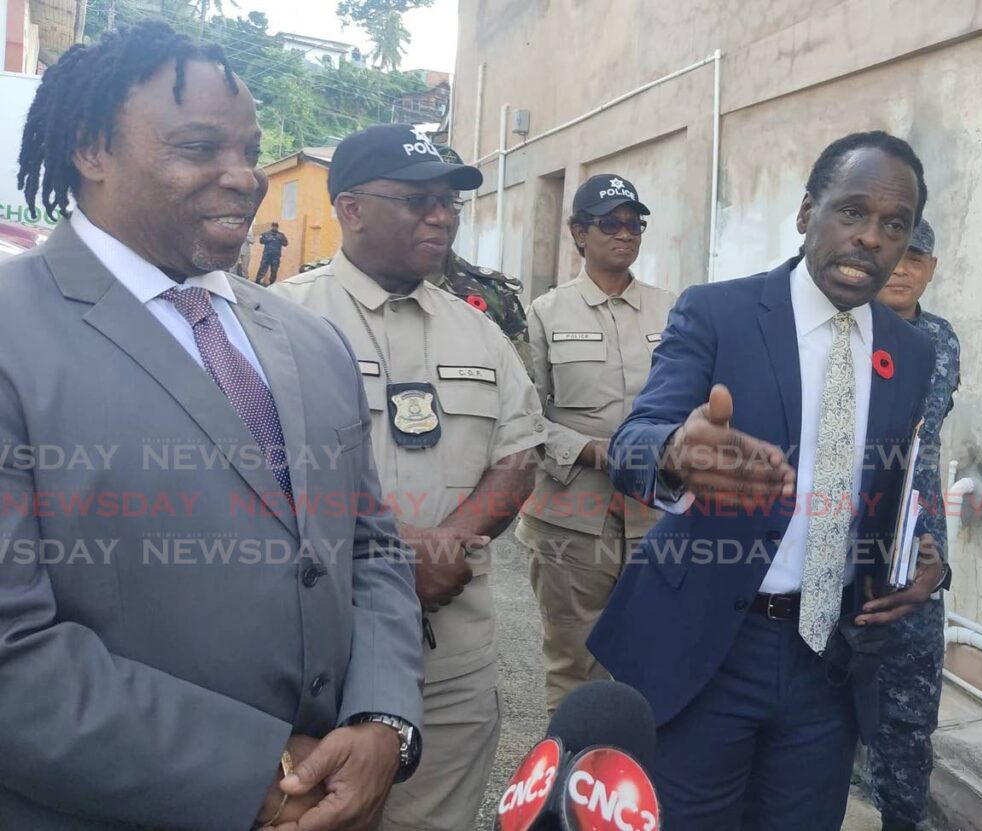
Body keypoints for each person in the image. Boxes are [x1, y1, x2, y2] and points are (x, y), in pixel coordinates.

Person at [1, 23, 423, 829]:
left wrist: (382, 722)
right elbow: (11, 650)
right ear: (93, 148)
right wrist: (260, 772)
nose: (243, 178)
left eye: (251, 149)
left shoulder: (308, 338)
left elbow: (368, 548)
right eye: (199, 147)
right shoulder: (12, 332)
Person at [589, 131, 951, 830]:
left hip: (828, 663)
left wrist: (923, 558)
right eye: (851, 212)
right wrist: (675, 453)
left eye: (894, 225)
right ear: (807, 212)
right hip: (708, 648)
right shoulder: (718, 312)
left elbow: (906, 484)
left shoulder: (911, 351)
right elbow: (632, 441)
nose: (871, 238)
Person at [272, 123, 545, 831]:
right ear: (352, 209)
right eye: (419, 200)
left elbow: (519, 453)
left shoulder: (478, 330)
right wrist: (397, 555)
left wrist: (452, 539)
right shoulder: (279, 321)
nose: (442, 216)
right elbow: (252, 475)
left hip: (453, 665)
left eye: (450, 204)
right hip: (323, 664)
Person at [516, 174, 675, 713]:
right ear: (578, 233)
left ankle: (639, 785)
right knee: (575, 668)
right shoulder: (544, 313)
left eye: (634, 224)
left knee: (655, 664)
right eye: (611, 223)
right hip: (573, 520)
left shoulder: (673, 312)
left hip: (658, 520)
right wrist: (591, 451)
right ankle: (570, 785)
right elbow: (522, 418)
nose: (625, 234)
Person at [872, 217, 960, 831]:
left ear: (930, 268)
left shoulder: (940, 340)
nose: (902, 267)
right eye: (895, 255)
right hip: (839, 547)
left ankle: (901, 818)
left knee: (910, 714)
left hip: (917, 558)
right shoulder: (838, 332)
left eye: (917, 258)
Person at [429, 145, 533, 376]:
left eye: (452, 203)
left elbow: (523, 391)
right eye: (424, 201)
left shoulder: (495, 293)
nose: (442, 217)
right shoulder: (338, 293)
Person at [257, 220, 288, 285]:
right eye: (273, 226)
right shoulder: (266, 234)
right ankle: (258, 280)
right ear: (271, 226)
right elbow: (261, 241)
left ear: (277, 227)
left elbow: (286, 243)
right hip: (267, 255)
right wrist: (268, 239)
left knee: (274, 270)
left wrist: (281, 240)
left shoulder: (281, 235)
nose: (274, 227)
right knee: (263, 268)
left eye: (276, 226)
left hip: (276, 256)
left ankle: (272, 283)